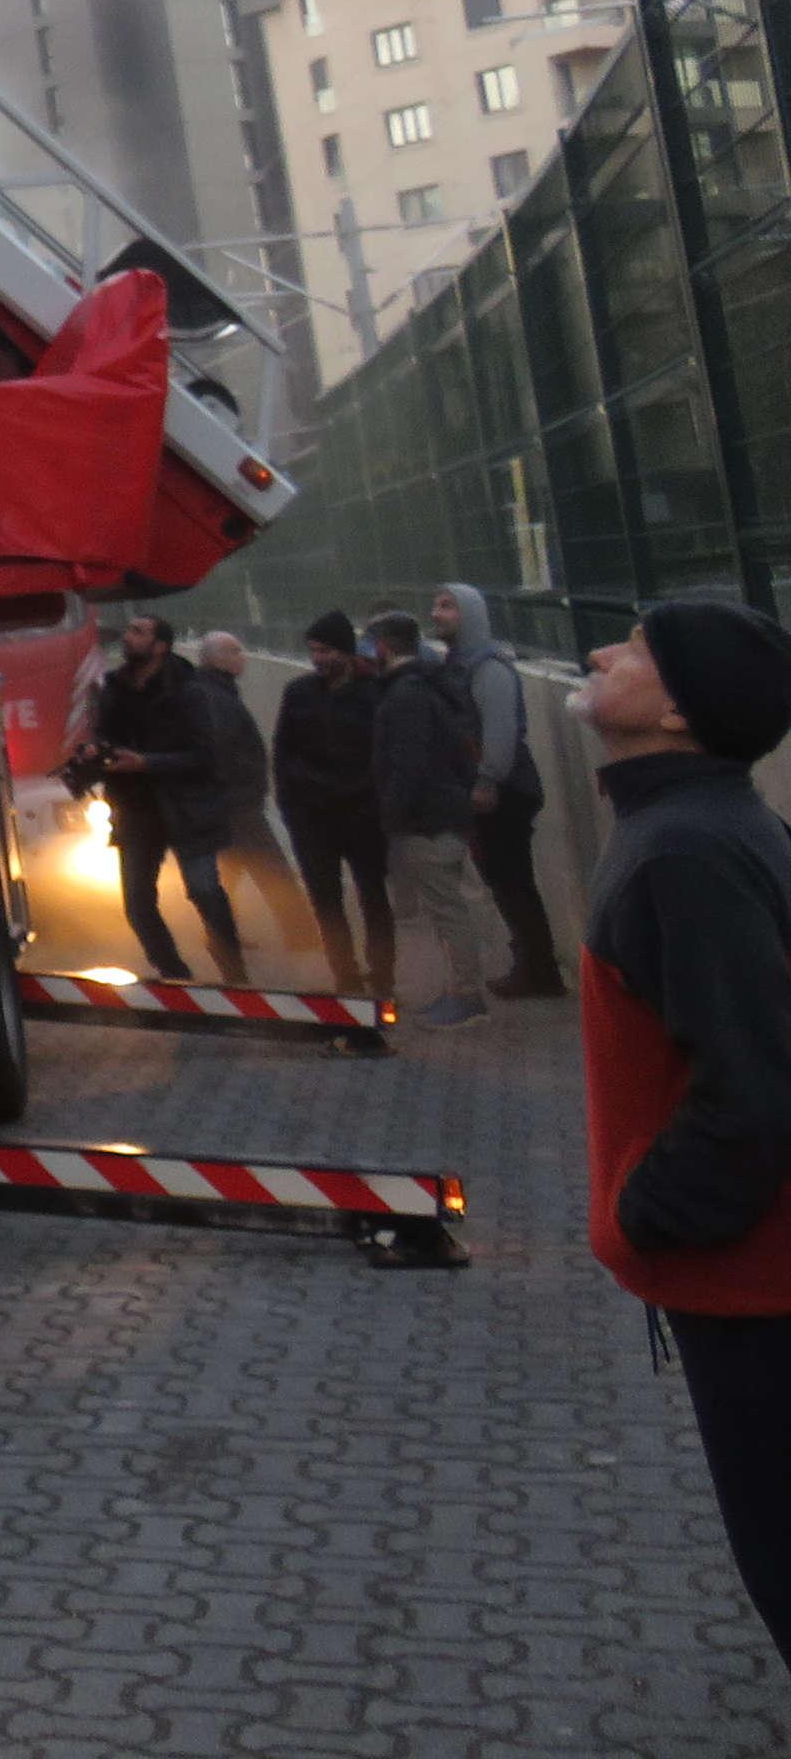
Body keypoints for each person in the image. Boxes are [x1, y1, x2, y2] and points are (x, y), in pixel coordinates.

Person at [567, 596, 791, 1675]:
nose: (602, 652)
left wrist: (642, 1217)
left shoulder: (682, 852)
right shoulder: (699, 827)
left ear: (675, 714)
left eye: (638, 651)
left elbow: (752, 1087)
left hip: (754, 1292)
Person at [77, 613, 247, 983]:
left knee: (204, 892)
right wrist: (96, 753)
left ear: (160, 646)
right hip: (136, 810)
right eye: (130, 629)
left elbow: (205, 756)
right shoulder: (113, 688)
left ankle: (236, 977)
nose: (128, 637)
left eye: (139, 632)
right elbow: (105, 736)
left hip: (187, 807)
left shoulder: (190, 690)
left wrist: (147, 763)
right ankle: (175, 976)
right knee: (137, 902)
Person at [436, 582, 568, 998]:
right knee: (504, 881)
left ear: (470, 615)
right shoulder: (461, 664)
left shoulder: (488, 668)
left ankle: (540, 972)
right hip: (487, 787)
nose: (436, 613)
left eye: (447, 607)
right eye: (437, 605)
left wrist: (487, 780)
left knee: (513, 882)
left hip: (504, 791)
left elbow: (500, 731)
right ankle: (529, 965)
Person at [370, 610, 501, 1028]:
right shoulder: (431, 685)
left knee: (447, 909)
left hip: (426, 820)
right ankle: (462, 990)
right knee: (449, 906)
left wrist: (391, 818)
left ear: (383, 647)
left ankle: (466, 995)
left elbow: (408, 763)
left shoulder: (404, 695)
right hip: (444, 812)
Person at [268, 610, 396, 997]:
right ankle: (345, 973)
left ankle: (383, 974)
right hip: (313, 820)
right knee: (326, 901)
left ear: (344, 650)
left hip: (362, 815)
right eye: (313, 651)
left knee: (373, 896)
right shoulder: (299, 692)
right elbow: (283, 753)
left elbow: (384, 755)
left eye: (325, 650)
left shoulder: (374, 695)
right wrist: (293, 807)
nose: (319, 659)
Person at [190, 632, 318, 965]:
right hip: (237, 803)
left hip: (229, 801)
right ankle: (301, 936)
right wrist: (240, 791)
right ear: (215, 659)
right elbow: (219, 749)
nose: (242, 657)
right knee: (272, 869)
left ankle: (220, 932)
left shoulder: (213, 691)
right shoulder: (213, 696)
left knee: (230, 871)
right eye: (234, 651)